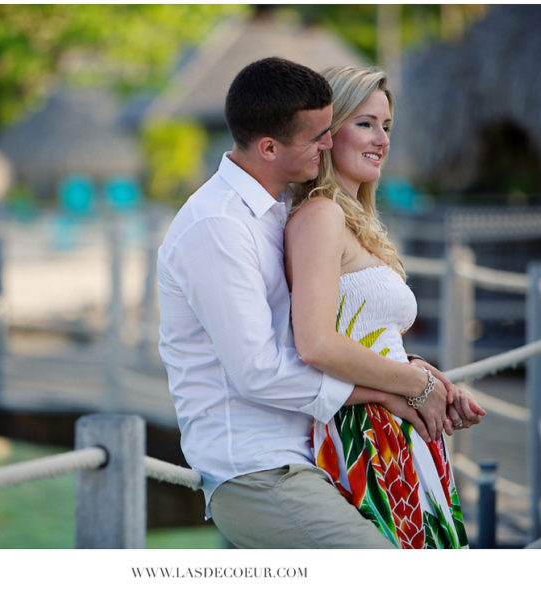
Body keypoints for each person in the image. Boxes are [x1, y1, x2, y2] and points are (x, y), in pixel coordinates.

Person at [158, 57, 457, 549]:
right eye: (320, 134)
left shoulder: (277, 213)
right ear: (270, 147)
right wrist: (394, 387)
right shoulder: (218, 227)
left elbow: (329, 330)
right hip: (259, 469)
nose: (328, 141)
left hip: (317, 453)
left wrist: (412, 370)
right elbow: (260, 371)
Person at [284, 65, 486, 549]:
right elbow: (315, 343)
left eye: (387, 126)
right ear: (328, 134)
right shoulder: (320, 216)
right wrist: (415, 383)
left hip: (399, 425)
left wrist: (424, 375)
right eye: (366, 123)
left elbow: (368, 336)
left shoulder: (359, 224)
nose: (382, 139)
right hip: (365, 437)